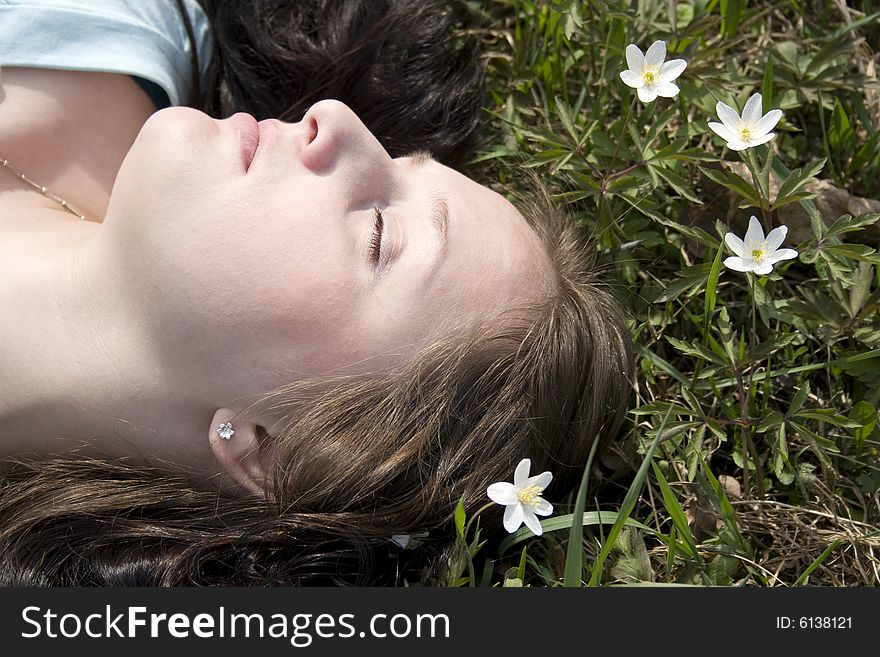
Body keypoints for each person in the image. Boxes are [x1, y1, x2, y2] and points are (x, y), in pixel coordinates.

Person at [0, 0, 633, 585]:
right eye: (398, 156)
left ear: (269, 449)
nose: (336, 119)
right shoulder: (102, 20)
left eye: (379, 233)